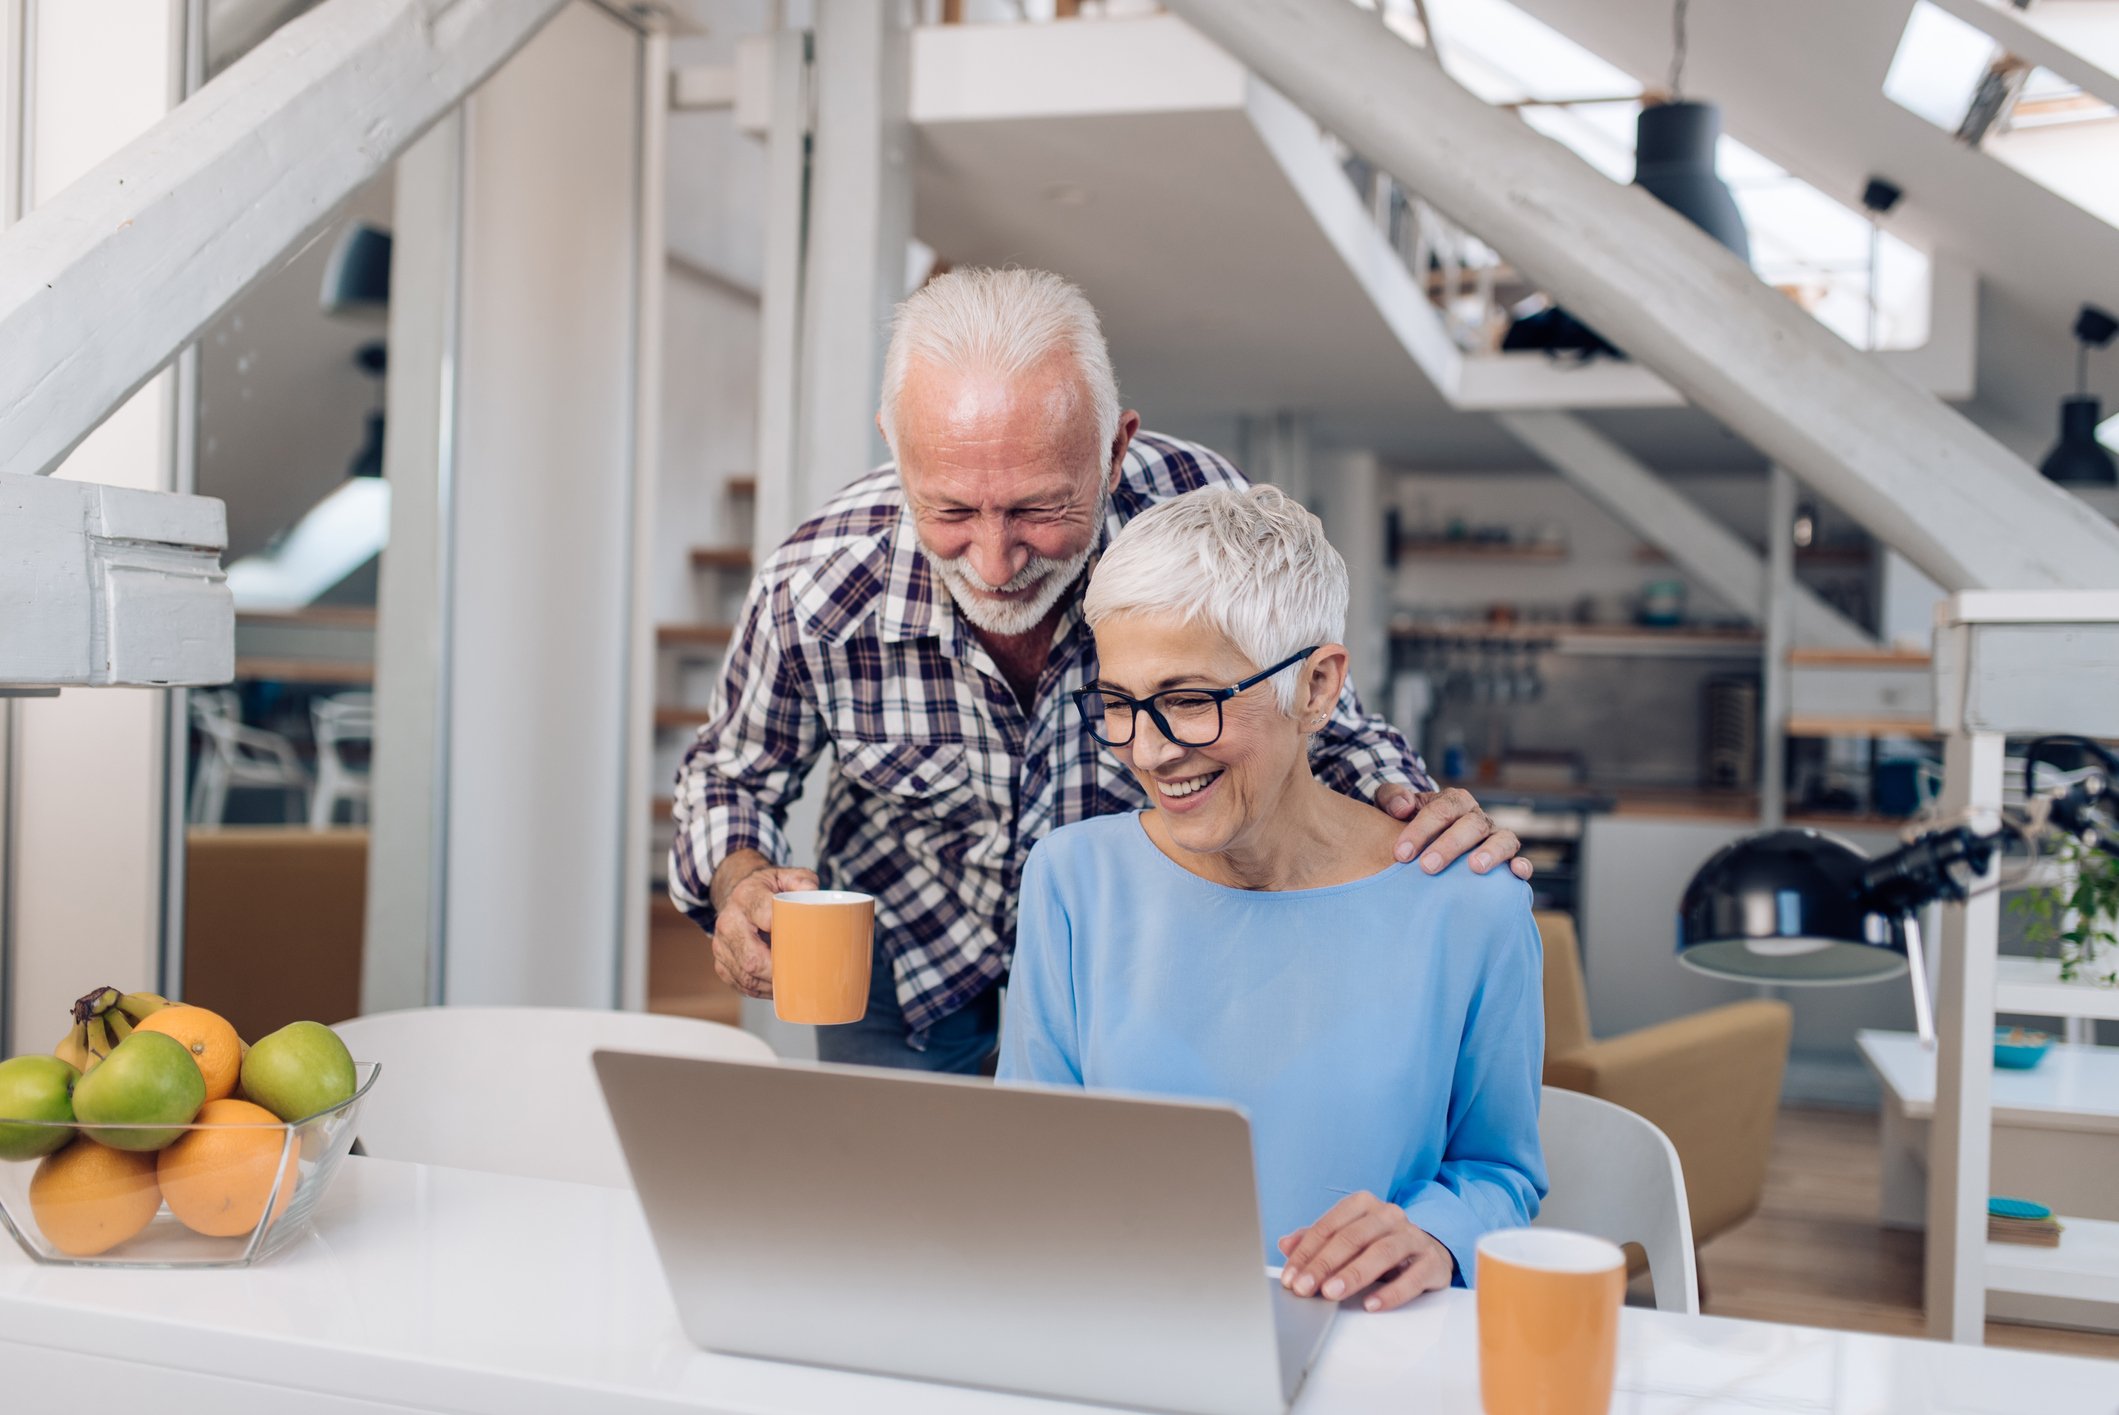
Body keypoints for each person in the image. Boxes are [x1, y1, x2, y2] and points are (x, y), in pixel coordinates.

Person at [671, 266, 1528, 1072]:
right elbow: (731, 771)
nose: (996, 563)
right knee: (903, 1211)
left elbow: (1307, 716)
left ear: (1116, 451)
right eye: (952, 510)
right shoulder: (817, 580)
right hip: (907, 957)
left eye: (1039, 509)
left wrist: (1411, 810)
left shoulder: (1200, 514)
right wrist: (741, 877)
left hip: (1143, 949)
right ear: (896, 452)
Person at [998, 484, 1545, 1311]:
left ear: (1318, 687)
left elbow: (1500, 1171)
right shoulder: (1072, 879)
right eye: (1117, 704)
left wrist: (1433, 1232)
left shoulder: (1469, 906)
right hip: (1121, 1327)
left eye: (1188, 700)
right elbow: (1029, 1157)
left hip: (1362, 1335)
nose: (1147, 750)